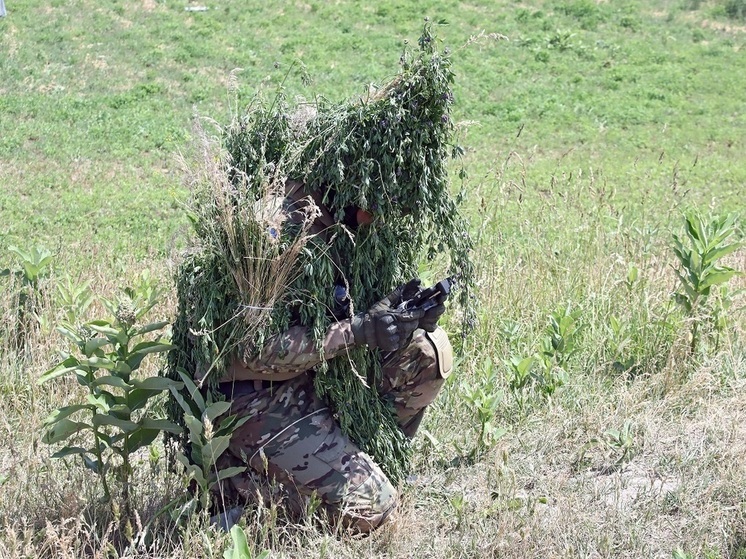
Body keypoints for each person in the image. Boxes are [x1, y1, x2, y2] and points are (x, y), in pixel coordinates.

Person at [209, 180, 455, 533]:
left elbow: (356, 308)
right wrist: (356, 331)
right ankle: (243, 493)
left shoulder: (356, 219)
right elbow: (253, 349)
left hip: (318, 377)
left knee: (426, 349)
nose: (378, 216)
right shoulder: (276, 225)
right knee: (371, 506)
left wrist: (401, 318)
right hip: (255, 396)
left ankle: (367, 466)